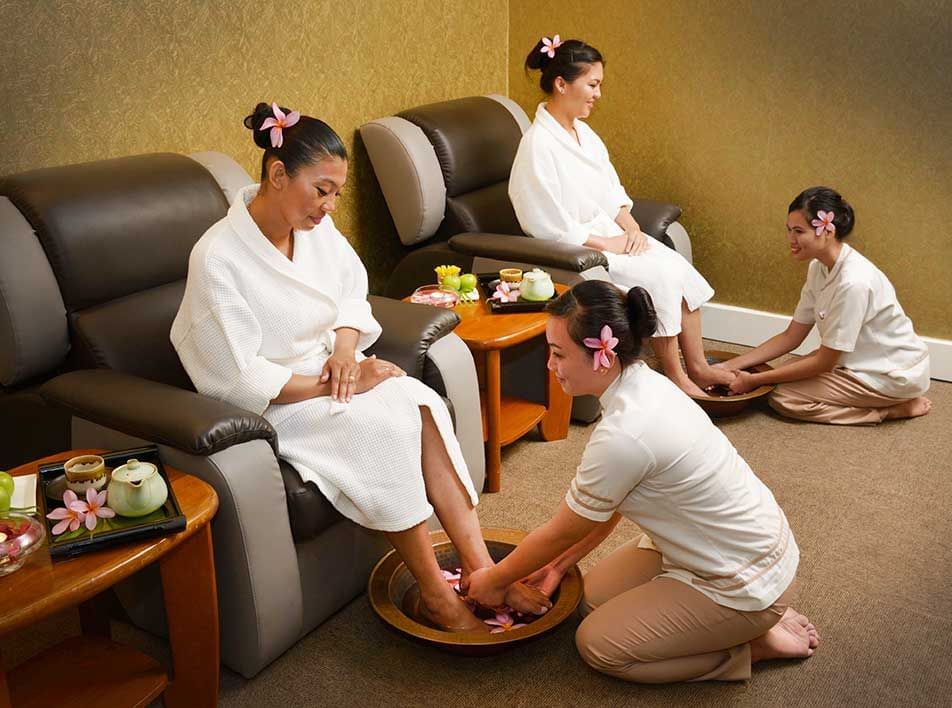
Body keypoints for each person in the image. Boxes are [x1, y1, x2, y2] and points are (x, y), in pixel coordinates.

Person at [171, 102, 546, 632]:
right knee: (377, 429)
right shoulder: (218, 257)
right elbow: (236, 377)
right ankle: (437, 595)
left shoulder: (315, 229)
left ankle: (483, 567)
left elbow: (351, 293)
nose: (328, 207)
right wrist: (335, 380)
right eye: (320, 190)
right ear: (278, 175)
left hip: (335, 373)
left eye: (336, 194)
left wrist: (347, 354)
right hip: (280, 403)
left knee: (421, 403)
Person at [464, 280, 819, 683]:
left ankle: (750, 644)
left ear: (601, 355)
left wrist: (493, 580)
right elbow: (609, 503)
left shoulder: (623, 435)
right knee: (592, 599)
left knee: (598, 646)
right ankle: (746, 622)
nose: (550, 364)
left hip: (742, 581)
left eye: (558, 353)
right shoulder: (645, 383)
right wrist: (559, 566)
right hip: (725, 546)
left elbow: (561, 531)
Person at [508, 35, 732, 397]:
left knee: (678, 267)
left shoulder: (585, 134)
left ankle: (700, 367)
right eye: (592, 85)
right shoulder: (537, 146)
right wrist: (606, 242)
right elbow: (543, 221)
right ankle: (678, 378)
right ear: (562, 84)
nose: (598, 94)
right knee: (659, 277)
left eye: (600, 85)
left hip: (613, 234)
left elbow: (612, 190)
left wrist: (631, 227)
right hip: (581, 248)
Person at [721, 187, 931, 424]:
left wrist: (754, 381)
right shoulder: (818, 267)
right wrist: (729, 365)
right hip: (852, 361)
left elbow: (824, 362)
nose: (791, 239)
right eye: (789, 230)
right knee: (771, 375)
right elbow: (792, 336)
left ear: (827, 231)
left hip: (892, 374)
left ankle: (891, 410)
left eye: (799, 231)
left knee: (781, 395)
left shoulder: (853, 283)